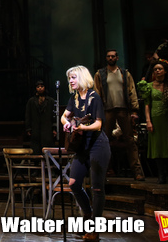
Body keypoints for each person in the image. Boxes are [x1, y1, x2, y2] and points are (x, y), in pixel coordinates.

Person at [61, 65, 110, 242]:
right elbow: (64, 116)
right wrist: (66, 122)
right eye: (69, 79)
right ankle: (88, 215)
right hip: (82, 146)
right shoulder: (74, 98)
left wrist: (82, 127)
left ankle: (95, 229)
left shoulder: (93, 97)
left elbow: (98, 124)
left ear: (81, 77)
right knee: (74, 183)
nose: (71, 81)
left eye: (73, 77)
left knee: (97, 187)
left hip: (98, 144)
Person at [93, 50, 145, 181]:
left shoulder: (124, 74)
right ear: (106, 58)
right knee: (104, 140)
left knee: (130, 139)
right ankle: (104, 171)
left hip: (123, 109)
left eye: (113, 56)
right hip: (107, 110)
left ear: (117, 57)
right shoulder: (100, 74)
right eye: (108, 56)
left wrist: (134, 110)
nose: (111, 58)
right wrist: (97, 112)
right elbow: (97, 92)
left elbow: (132, 91)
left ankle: (137, 170)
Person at [138, 59, 168, 184]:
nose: (157, 71)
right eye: (155, 69)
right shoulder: (149, 86)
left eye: (160, 69)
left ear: (165, 71)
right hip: (155, 119)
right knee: (158, 146)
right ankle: (161, 175)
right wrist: (148, 121)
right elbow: (147, 105)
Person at [25, 80, 56, 157]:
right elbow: (28, 114)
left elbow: (54, 115)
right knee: (36, 148)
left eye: (42, 86)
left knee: (47, 147)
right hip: (35, 128)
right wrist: (28, 128)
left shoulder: (50, 101)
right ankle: (37, 167)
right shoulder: (31, 101)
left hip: (47, 128)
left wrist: (54, 128)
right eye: (38, 87)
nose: (40, 88)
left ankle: (48, 166)